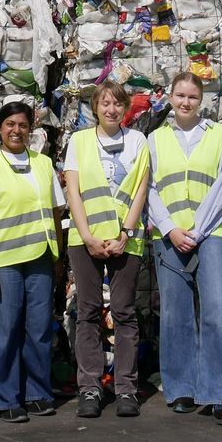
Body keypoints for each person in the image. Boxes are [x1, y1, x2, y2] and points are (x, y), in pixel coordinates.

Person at [146, 72, 222, 426]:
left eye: (192, 97)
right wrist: (171, 228)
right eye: (180, 95)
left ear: (201, 101)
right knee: (175, 315)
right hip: (170, 237)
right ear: (170, 97)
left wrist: (198, 230)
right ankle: (181, 388)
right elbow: (150, 189)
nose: (185, 102)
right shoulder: (154, 140)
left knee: (217, 311)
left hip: (211, 233)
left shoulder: (219, 136)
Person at [0, 101, 65, 423]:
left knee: (37, 330)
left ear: (31, 129)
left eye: (22, 125)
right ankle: (2, 397)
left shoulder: (43, 164)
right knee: (2, 331)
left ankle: (37, 392)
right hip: (2, 262)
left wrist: (58, 258)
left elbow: (55, 212)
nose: (16, 131)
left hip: (39, 259)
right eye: (10, 125)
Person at [62, 81, 150, 419]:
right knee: (88, 311)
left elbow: (141, 188)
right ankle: (90, 388)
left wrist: (126, 233)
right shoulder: (79, 141)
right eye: (104, 103)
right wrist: (86, 236)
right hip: (86, 241)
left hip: (126, 239)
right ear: (94, 108)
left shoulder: (138, 141)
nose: (111, 109)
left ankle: (126, 388)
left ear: (125, 108)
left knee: (125, 312)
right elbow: (73, 190)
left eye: (117, 104)